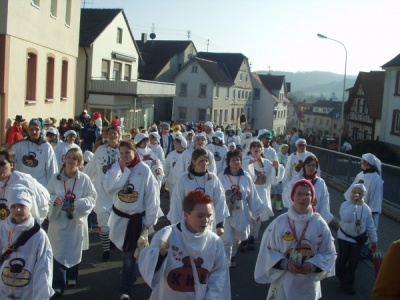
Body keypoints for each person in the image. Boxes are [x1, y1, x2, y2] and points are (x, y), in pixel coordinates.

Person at [139, 190, 230, 300]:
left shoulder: (214, 242)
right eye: (200, 216)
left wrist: (211, 297)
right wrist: (160, 255)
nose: (206, 221)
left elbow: (219, 272)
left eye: (209, 216)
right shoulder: (167, 235)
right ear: (186, 215)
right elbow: (147, 268)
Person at [255, 179, 336, 300]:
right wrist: (285, 263)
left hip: (309, 285)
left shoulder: (320, 224)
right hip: (285, 281)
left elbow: (329, 253)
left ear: (313, 199)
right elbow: (267, 250)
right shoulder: (279, 223)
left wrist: (313, 265)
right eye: (299, 193)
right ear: (292, 196)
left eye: (307, 194)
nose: (303, 198)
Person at [105, 139, 161, 300]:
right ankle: (130, 276)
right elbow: (110, 188)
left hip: (135, 220)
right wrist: (122, 171)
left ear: (134, 152)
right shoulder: (117, 168)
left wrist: (149, 221)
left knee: (129, 255)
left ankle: (126, 289)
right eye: (121, 154)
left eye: (127, 153)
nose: (125, 157)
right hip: (119, 218)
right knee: (126, 251)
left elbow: (152, 197)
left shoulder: (143, 170)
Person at [47, 148, 96, 296]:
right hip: (59, 221)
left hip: (75, 221)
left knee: (74, 249)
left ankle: (72, 275)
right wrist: (53, 200)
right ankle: (58, 285)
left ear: (79, 162)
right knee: (59, 251)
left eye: (74, 158)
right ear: (64, 159)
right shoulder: (55, 178)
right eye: (68, 157)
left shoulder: (84, 179)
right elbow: (46, 196)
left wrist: (77, 205)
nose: (70, 160)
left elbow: (92, 197)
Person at [0, 185, 54, 299]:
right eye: (13, 206)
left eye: (21, 205)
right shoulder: (3, 230)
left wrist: (40, 296)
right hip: (3, 290)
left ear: (29, 206)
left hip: (28, 292)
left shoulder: (39, 235)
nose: (17, 209)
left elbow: (43, 269)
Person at [218, 149, 265, 267]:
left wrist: (256, 212)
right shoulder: (221, 176)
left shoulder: (246, 177)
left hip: (241, 213)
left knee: (237, 239)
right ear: (228, 162)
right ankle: (225, 265)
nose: (236, 162)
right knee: (226, 241)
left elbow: (252, 196)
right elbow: (216, 196)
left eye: (238, 160)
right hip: (226, 214)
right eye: (233, 160)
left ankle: (233, 254)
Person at [167, 148, 229, 235]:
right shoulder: (184, 179)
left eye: (206, 161)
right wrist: (176, 225)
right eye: (201, 161)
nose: (204, 164)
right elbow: (176, 202)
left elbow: (220, 201)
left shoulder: (212, 179)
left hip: (208, 223)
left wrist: (220, 224)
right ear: (193, 162)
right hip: (188, 223)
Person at [84, 126, 121, 261]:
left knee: (117, 223)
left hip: (119, 194)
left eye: (114, 133)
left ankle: (114, 241)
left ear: (119, 135)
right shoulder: (100, 150)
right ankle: (106, 250)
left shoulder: (124, 151)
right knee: (103, 223)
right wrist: (82, 181)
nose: (112, 136)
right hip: (102, 193)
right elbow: (91, 169)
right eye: (109, 133)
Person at [241, 140, 284, 250]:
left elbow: (274, 179)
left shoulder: (267, 162)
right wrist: (248, 164)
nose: (256, 148)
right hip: (249, 192)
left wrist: (276, 167)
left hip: (262, 193)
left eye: (258, 146)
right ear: (250, 149)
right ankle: (245, 237)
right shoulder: (245, 161)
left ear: (261, 149)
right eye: (254, 146)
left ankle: (252, 238)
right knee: (247, 216)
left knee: (257, 217)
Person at [336, 183, 377, 295]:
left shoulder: (366, 209)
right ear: (351, 193)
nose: (356, 195)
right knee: (342, 260)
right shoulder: (345, 205)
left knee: (353, 262)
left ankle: (348, 283)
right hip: (344, 238)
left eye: (359, 193)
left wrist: (374, 241)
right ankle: (341, 276)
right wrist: (353, 205)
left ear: (363, 195)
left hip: (358, 240)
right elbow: (346, 218)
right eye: (354, 192)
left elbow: (370, 225)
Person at [0, 147, 50, 225]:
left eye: (1, 164)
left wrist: (34, 225)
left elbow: (44, 201)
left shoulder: (24, 180)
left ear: (11, 164)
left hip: (20, 231)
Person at [283, 155, 333, 224]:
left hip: (314, 218)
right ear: (304, 166)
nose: (311, 167)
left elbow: (324, 201)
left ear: (316, 168)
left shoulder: (320, 182)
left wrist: (322, 220)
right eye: (308, 165)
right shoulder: (296, 180)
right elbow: (287, 195)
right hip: (297, 217)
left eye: (313, 165)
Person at [11, 118, 58, 187]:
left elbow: (52, 170)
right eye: (31, 129)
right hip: (21, 186)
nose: (34, 132)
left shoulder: (47, 148)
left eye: (36, 129)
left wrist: (52, 190)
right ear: (27, 130)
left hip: (39, 188)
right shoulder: (17, 146)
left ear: (41, 130)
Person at [271, 143, 289, 211]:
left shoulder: (288, 157)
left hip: (283, 178)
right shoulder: (278, 156)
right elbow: (276, 166)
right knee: (273, 193)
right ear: (281, 149)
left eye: (287, 149)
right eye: (284, 148)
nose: (286, 150)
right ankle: (271, 205)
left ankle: (278, 206)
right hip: (276, 177)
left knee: (280, 193)